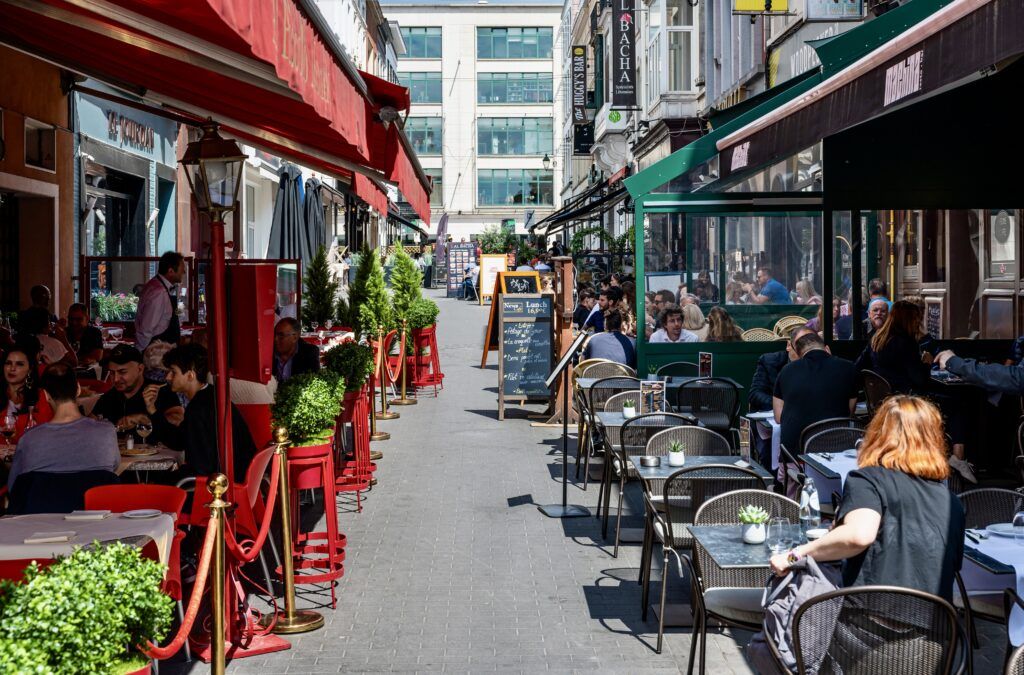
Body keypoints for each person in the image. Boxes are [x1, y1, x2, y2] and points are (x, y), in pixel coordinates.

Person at [770, 395, 965, 604]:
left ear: (878, 434)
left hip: (866, 626)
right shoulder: (951, 502)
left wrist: (793, 556)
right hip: (937, 631)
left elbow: (858, 536)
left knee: (788, 607)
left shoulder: (869, 480)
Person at [6, 363, 119, 492]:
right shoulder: (106, 432)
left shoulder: (29, 439)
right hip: (93, 510)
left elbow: (13, 487)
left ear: (46, 395)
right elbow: (113, 468)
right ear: (78, 389)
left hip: (41, 510)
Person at [163, 344, 255, 481]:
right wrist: (154, 412)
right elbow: (179, 442)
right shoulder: (211, 395)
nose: (167, 377)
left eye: (173, 372)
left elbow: (201, 467)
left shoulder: (198, 408)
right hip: (241, 473)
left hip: (222, 483)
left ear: (190, 375)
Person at [773, 332, 858, 461]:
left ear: (799, 352)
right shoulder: (849, 368)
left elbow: (779, 418)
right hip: (837, 451)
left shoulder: (787, 371)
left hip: (796, 456)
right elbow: (850, 412)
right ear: (825, 347)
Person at [749, 326, 815, 470]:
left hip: (806, 425)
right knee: (768, 453)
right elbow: (755, 394)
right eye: (800, 345)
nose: (803, 350)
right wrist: (781, 405)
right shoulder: (770, 361)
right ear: (788, 346)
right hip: (771, 425)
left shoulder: (816, 366)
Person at [91, 344, 184, 445]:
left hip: (156, 458)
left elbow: (178, 421)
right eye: (112, 373)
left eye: (122, 372)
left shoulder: (159, 390)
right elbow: (88, 424)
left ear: (140, 369)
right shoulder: (109, 397)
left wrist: (145, 419)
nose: (116, 379)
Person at [1, 340, 54, 439]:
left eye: (19, 364)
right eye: (8, 363)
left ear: (30, 369)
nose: (12, 368)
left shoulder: (40, 395)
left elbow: (46, 433)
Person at [135, 251, 185, 350]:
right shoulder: (159, 292)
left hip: (162, 348)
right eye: (182, 270)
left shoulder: (159, 286)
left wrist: (182, 302)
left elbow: (178, 316)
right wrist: (141, 353)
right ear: (170, 271)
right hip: (155, 352)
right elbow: (146, 329)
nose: (184, 273)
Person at [273, 317, 321, 383]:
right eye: (274, 334)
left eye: (281, 335)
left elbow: (314, 381)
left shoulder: (309, 352)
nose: (275, 339)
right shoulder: (268, 352)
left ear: (295, 338)